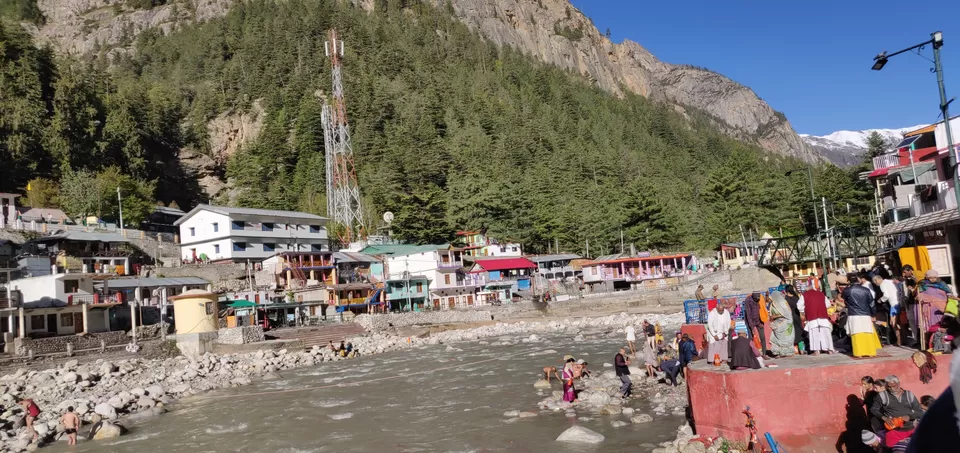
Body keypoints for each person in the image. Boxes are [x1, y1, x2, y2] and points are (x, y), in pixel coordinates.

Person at [870, 375, 923, 448]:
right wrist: (884, 418)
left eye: (894, 386)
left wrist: (909, 416)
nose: (891, 389)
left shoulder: (908, 394)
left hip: (910, 429)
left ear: (898, 383)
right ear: (885, 385)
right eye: (888, 386)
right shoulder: (882, 396)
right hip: (893, 431)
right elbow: (873, 409)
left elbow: (920, 412)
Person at [844, 272, 882, 358]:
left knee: (856, 333)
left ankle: (859, 353)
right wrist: (873, 314)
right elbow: (872, 303)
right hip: (866, 314)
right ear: (858, 280)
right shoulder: (866, 290)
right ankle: (870, 352)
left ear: (848, 280)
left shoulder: (847, 291)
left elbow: (845, 301)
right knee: (867, 332)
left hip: (853, 314)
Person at [803, 289, 835, 354]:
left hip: (812, 317)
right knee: (826, 333)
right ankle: (829, 349)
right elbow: (828, 304)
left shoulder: (804, 295)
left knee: (814, 334)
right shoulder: (821, 294)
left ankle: (816, 350)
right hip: (823, 316)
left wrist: (805, 310)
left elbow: (799, 306)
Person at [767, 291, 796, 357]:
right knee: (778, 339)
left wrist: (777, 316)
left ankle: (787, 353)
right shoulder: (773, 304)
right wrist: (776, 316)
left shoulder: (783, 303)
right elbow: (771, 315)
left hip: (785, 324)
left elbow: (787, 313)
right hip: (777, 325)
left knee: (786, 339)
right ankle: (779, 353)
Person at [874, 274, 899, 346]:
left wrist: (880, 300)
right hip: (898, 302)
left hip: (893, 304)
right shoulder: (890, 281)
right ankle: (900, 340)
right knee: (898, 323)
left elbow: (886, 295)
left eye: (875, 282)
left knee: (893, 323)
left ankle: (898, 340)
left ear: (877, 280)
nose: (876, 284)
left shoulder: (882, 284)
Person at [743, 292, 769, 356]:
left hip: (759, 320)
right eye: (756, 299)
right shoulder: (748, 301)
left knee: (762, 337)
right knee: (751, 338)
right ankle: (750, 354)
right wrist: (752, 328)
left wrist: (761, 322)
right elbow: (748, 315)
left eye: (758, 299)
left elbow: (762, 309)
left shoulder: (761, 299)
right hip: (750, 321)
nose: (757, 300)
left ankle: (764, 354)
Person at [783, 285, 805, 352]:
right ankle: (802, 350)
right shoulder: (796, 297)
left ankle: (795, 350)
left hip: (789, 317)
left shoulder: (786, 298)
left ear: (786, 291)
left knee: (791, 333)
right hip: (797, 316)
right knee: (799, 332)